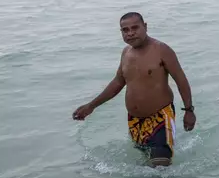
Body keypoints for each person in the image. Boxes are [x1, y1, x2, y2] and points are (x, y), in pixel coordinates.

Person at [72, 12, 196, 167]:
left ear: (145, 27)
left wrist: (189, 110)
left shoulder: (161, 50)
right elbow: (118, 82)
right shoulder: (126, 53)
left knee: (160, 168)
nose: (130, 33)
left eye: (135, 28)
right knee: (145, 165)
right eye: (125, 30)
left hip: (160, 117)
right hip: (135, 121)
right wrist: (91, 106)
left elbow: (181, 80)